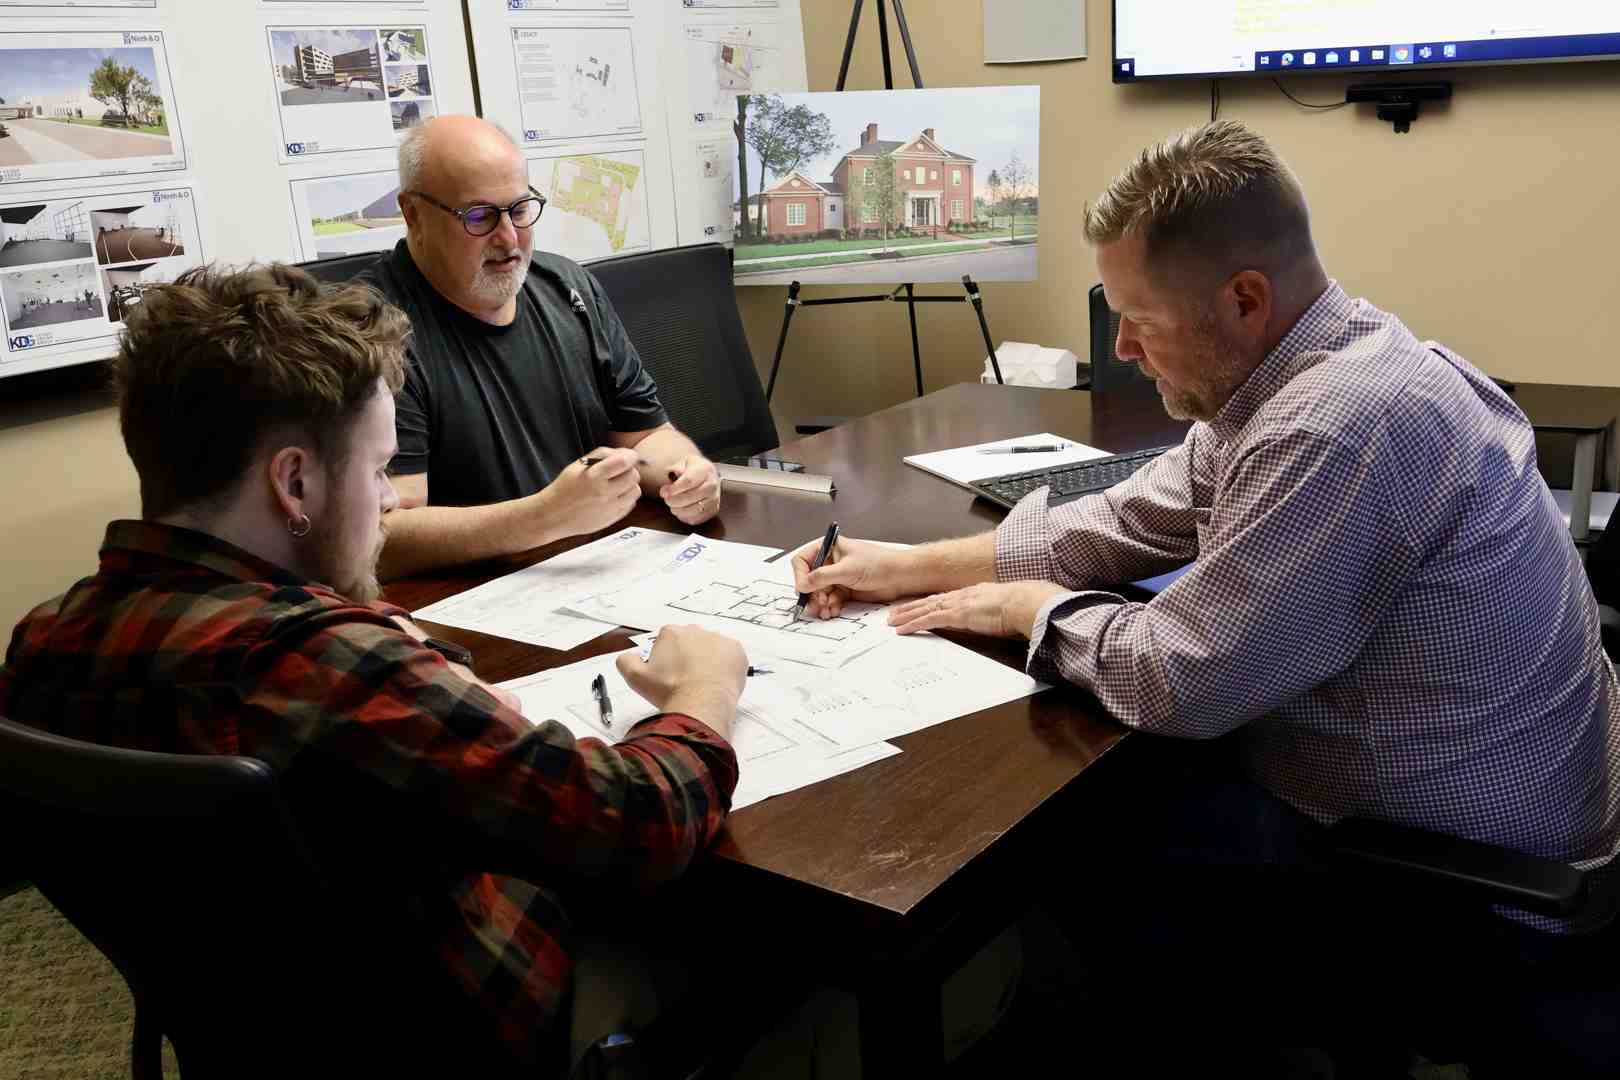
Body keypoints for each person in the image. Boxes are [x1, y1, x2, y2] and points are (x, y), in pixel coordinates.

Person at [792, 120, 1620, 1012]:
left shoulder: (1337, 425)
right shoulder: (1321, 361)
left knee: (1076, 829)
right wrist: (917, 565)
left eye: (1139, 321)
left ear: (1244, 300)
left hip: (1468, 889)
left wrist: (1030, 611)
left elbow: (1181, 679)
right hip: (1473, 806)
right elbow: (1129, 517)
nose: (1119, 351)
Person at [0, 263, 751, 1074]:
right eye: (377, 470)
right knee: (761, 955)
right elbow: (645, 824)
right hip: (454, 1028)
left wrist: (402, 653)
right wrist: (704, 687)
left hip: (243, 1021)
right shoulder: (328, 669)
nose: (392, 502)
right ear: (295, 482)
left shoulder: (41, 642)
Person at [359, 115, 723, 581]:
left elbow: (645, 436)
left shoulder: (569, 288)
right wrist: (546, 516)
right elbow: (379, 536)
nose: (508, 238)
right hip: (465, 602)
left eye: (520, 209)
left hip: (592, 571)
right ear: (412, 214)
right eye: (479, 216)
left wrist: (689, 476)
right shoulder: (371, 329)